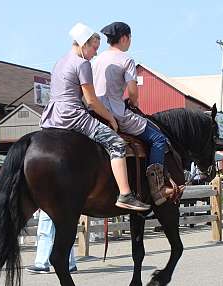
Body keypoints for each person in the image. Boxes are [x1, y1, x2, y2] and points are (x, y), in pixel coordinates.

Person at [40, 22, 149, 212]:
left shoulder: (59, 62)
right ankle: (125, 194)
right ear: (84, 44)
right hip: (73, 116)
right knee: (116, 144)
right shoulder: (82, 64)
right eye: (94, 48)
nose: (95, 54)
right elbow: (91, 101)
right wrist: (111, 118)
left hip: (51, 117)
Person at [92, 21, 171, 206]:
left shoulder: (96, 60)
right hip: (116, 113)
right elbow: (133, 93)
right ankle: (157, 188)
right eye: (130, 38)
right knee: (158, 138)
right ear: (125, 38)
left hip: (94, 113)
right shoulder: (126, 60)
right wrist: (134, 103)